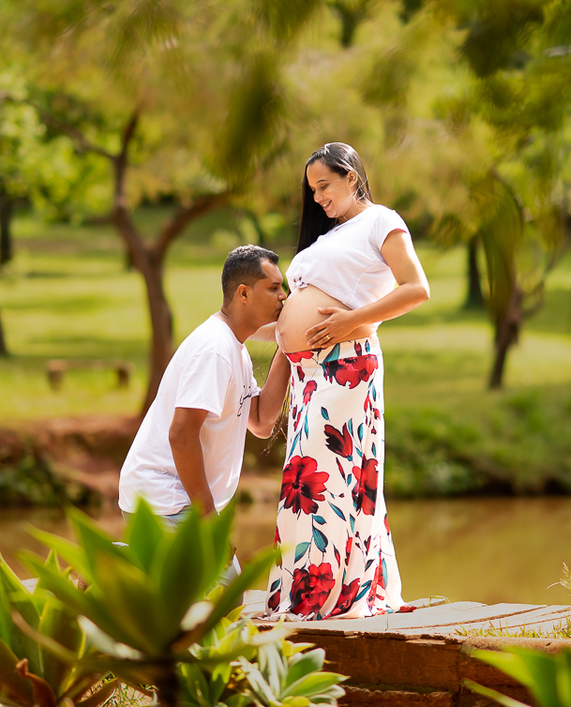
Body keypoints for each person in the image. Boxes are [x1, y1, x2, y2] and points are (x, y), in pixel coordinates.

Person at [263, 142, 430, 620]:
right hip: (309, 373)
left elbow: (416, 289)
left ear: (352, 177)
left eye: (324, 185)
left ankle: (325, 596)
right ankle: (306, 592)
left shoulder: (381, 221)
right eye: (312, 190)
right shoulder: (327, 237)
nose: (317, 197)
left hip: (347, 366)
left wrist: (350, 321)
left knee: (323, 482)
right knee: (309, 477)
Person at [119, 245, 290, 545]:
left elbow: (261, 421)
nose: (283, 296)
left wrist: (290, 344)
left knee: (226, 576)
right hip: (165, 503)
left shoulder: (234, 348)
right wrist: (210, 520)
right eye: (274, 287)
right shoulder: (215, 348)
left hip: (180, 503)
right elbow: (181, 434)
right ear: (244, 293)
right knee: (224, 578)